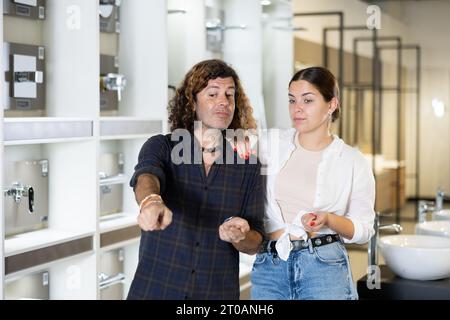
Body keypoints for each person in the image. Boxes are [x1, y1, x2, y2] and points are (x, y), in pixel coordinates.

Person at [127, 59, 265, 300]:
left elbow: (255, 242)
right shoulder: (162, 146)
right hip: (155, 289)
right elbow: (147, 174)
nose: (223, 102)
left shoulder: (248, 167)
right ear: (192, 102)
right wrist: (150, 201)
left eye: (230, 95)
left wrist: (241, 236)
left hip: (215, 293)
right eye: (213, 94)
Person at [251, 66, 375, 300]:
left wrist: (328, 219)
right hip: (269, 266)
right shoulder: (270, 143)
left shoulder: (352, 161)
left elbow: (365, 229)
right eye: (292, 100)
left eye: (307, 100)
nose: (297, 108)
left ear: (331, 105)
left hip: (323, 267)